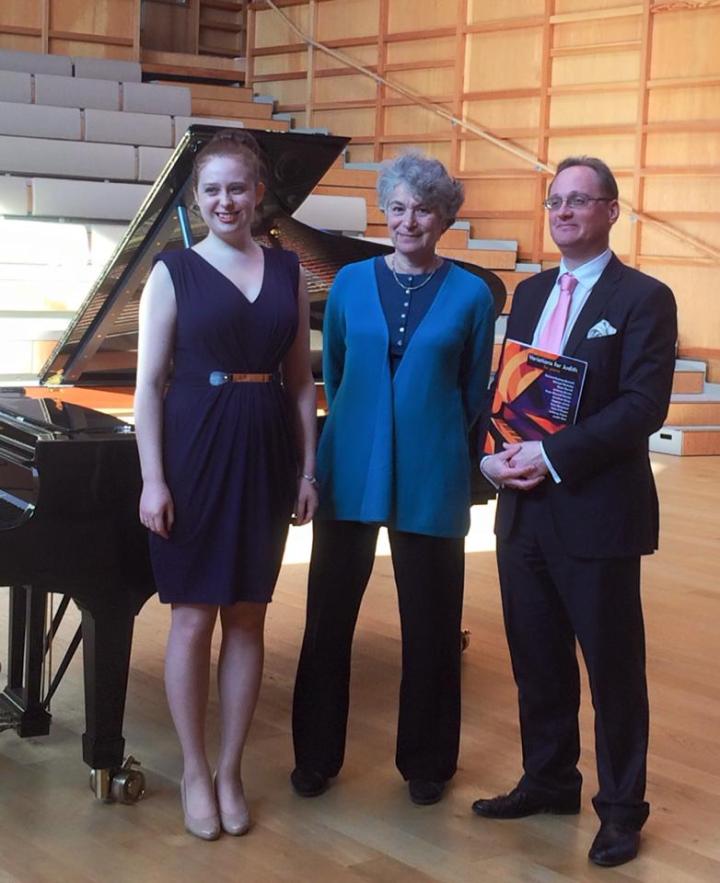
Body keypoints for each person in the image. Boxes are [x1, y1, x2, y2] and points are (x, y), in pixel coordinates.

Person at [472, 156, 677, 867]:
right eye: (555, 201)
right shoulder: (527, 294)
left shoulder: (644, 297)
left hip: (596, 509)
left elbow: (642, 408)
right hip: (523, 510)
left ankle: (622, 809)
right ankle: (550, 777)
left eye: (579, 201)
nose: (562, 212)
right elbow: (511, 392)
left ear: (612, 211)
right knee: (536, 654)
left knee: (612, 667)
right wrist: (493, 455)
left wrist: (551, 457)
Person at [290, 151, 496, 806]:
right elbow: (338, 374)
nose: (410, 220)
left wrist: (425, 427)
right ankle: (316, 755)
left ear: (445, 217)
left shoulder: (472, 292)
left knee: (434, 620)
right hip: (350, 461)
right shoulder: (349, 282)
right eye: (400, 207)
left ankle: (428, 761)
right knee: (328, 615)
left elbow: (473, 391)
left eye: (425, 208)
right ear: (386, 210)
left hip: (433, 468)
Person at [134, 130, 318, 840]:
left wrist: (307, 468)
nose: (224, 201)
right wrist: (153, 479)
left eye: (236, 188)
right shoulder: (172, 270)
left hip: (266, 446)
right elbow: (149, 386)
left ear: (258, 193)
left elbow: (301, 382)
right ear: (197, 198)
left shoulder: (289, 269)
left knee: (248, 613)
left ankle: (233, 767)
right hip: (193, 449)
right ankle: (194, 769)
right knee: (190, 616)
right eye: (211, 190)